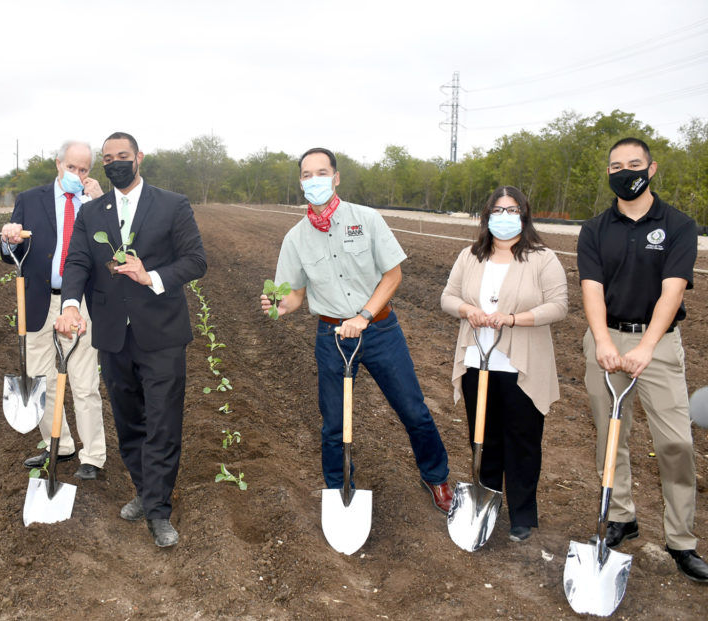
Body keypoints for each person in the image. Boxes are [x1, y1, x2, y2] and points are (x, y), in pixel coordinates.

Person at [260, 147, 455, 515]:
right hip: (332, 337)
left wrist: (365, 314)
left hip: (380, 330)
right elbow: (294, 295)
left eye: (321, 172)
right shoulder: (295, 238)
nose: (313, 180)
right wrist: (279, 306)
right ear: (300, 182)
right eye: (306, 175)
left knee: (413, 410)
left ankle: (436, 476)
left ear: (335, 178)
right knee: (333, 424)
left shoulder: (366, 219)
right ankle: (338, 490)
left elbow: (393, 274)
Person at [55, 131, 206, 548]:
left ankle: (159, 511)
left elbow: (196, 260)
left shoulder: (172, 205)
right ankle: (145, 490)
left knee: (162, 421)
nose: (116, 162)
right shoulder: (93, 211)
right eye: (108, 158)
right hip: (112, 335)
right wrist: (70, 305)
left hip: (161, 333)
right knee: (128, 420)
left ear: (139, 158)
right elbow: (78, 260)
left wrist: (150, 276)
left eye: (123, 155)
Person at [577, 137, 707, 582]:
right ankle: (621, 516)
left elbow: (673, 290)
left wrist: (647, 346)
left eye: (634, 163)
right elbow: (591, 288)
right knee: (612, 434)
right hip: (606, 337)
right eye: (616, 165)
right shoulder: (594, 228)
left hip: (659, 344)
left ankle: (682, 541)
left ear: (651, 169)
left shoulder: (678, 224)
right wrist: (602, 341)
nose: (625, 171)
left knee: (676, 443)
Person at [440, 186, 568, 543]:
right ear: (487, 216)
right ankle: (487, 500)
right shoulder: (471, 256)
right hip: (476, 360)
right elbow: (448, 297)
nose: (504, 217)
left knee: (523, 440)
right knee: (483, 436)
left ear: (524, 216)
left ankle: (523, 514)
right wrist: (469, 311)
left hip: (520, 364)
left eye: (512, 210)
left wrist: (514, 319)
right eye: (498, 210)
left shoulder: (542, 258)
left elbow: (559, 305)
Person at [0, 140, 107, 481]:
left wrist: (100, 201)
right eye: (72, 167)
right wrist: (9, 238)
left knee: (84, 380)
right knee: (40, 377)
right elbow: (9, 251)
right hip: (37, 300)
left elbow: (112, 248)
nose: (77, 174)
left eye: (84, 169)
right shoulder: (30, 200)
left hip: (80, 301)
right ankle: (57, 445)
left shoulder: (96, 204)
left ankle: (93, 456)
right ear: (58, 164)